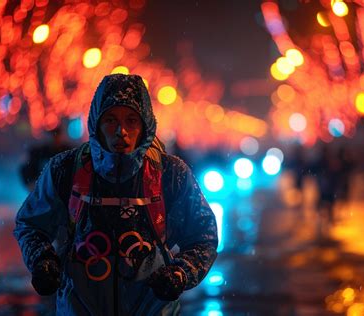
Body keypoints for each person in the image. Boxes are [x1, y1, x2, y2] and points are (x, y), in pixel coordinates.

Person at [14, 74, 218, 315]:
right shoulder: (65, 169)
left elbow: (202, 235)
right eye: (111, 120)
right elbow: (30, 225)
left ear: (145, 125)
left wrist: (180, 273)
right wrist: (42, 260)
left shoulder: (171, 174)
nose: (121, 131)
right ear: (96, 124)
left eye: (131, 120)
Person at [20, 126, 72, 191]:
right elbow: (26, 168)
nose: (55, 139)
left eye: (56, 136)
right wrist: (31, 184)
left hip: (62, 190)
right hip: (44, 188)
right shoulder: (41, 152)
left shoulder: (69, 151)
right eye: (54, 136)